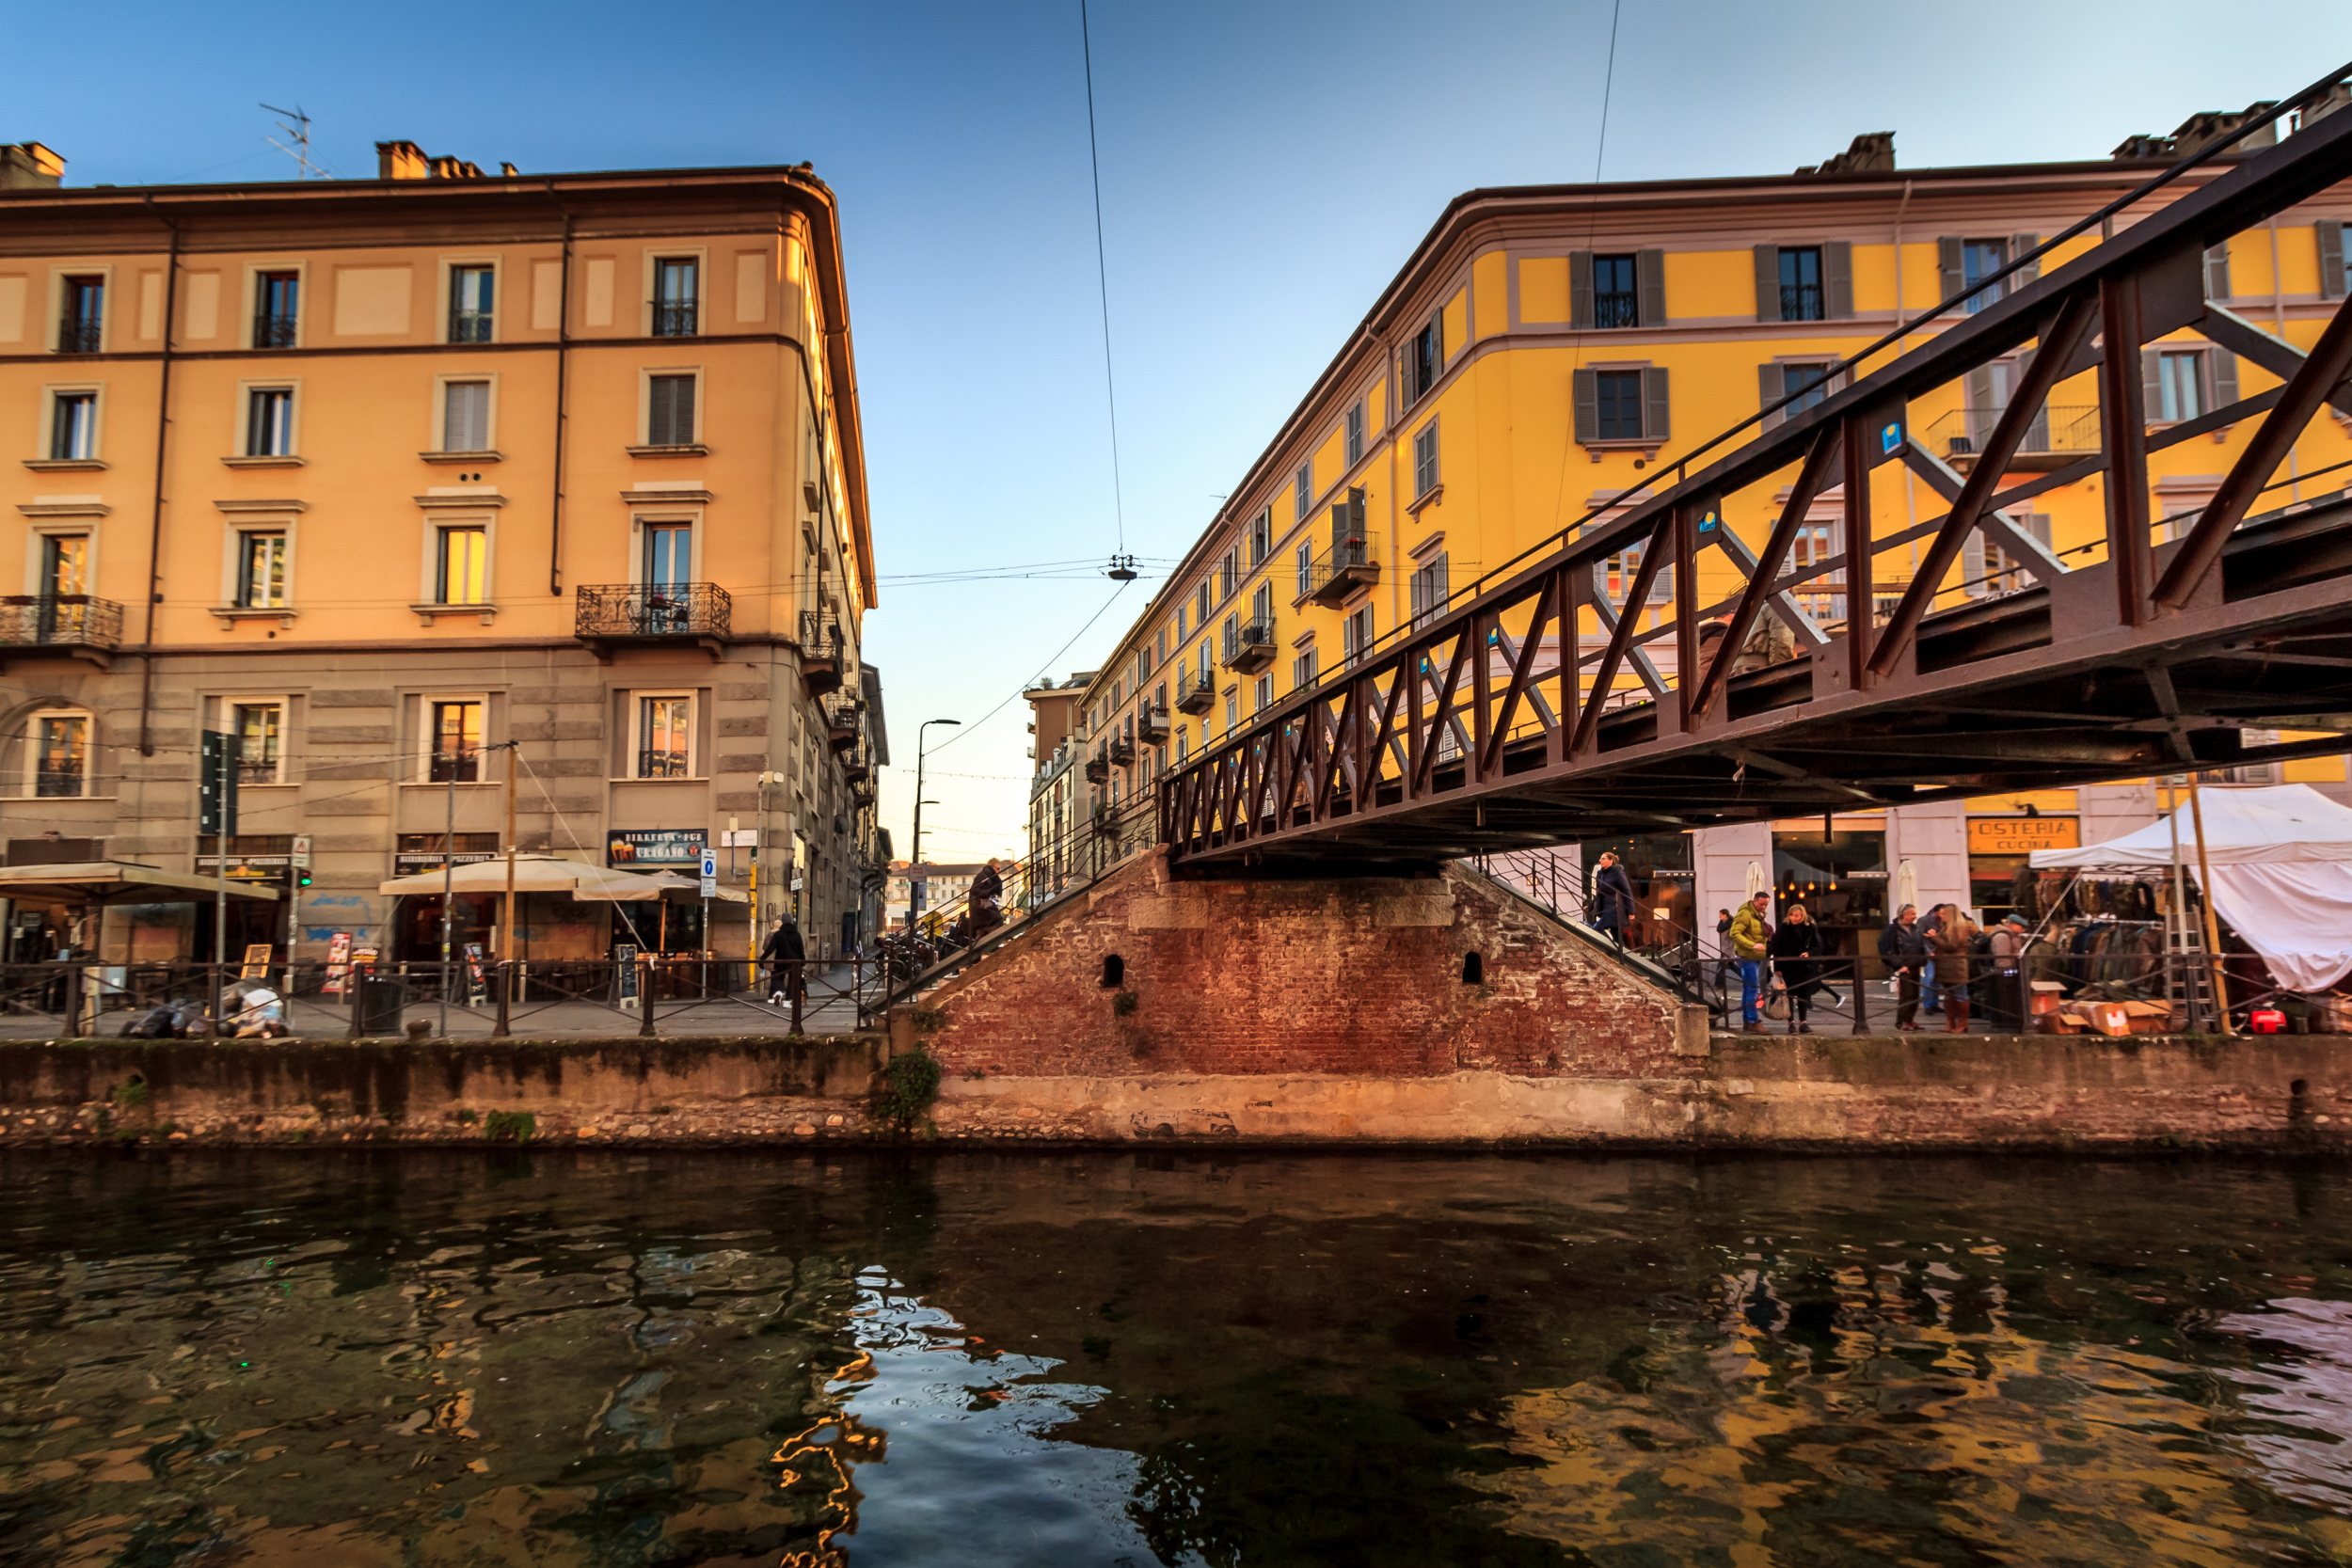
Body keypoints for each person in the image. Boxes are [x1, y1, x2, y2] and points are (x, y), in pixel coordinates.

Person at [1768, 902, 1826, 1034]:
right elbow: (1777, 947)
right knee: (1788, 994)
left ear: (1802, 916)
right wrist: (1778, 968)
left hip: (1804, 965)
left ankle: (1803, 1022)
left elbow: (1817, 945)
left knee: (1803, 994)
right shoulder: (1783, 927)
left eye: (1797, 916)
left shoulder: (1810, 927)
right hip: (1788, 965)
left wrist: (1809, 953)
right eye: (1792, 915)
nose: (1794, 918)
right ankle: (1791, 1023)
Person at [1927, 904, 1979, 1032]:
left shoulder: (1957, 927)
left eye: (1944, 914)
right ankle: (1951, 1024)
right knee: (1949, 994)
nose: (1941, 916)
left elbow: (1952, 945)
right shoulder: (1947, 926)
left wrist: (1934, 938)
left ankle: (1962, 1024)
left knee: (1960, 994)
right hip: (1946, 965)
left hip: (1955, 965)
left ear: (1951, 915)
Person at [1730, 892, 1772, 1034]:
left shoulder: (1757, 914)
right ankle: (1753, 1021)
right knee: (1753, 988)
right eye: (1761, 904)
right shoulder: (1745, 914)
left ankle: (1747, 1021)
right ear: (1754, 901)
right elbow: (1734, 933)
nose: (1764, 907)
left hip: (1754, 956)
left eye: (1766, 904)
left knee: (1749, 988)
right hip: (1747, 956)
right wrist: (1752, 945)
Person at [1879, 904, 1927, 1031]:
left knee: (1915, 994)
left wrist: (1923, 958)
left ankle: (1910, 1019)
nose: (1915, 916)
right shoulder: (1892, 930)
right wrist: (1898, 965)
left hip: (1915, 964)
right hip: (1903, 966)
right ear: (1903, 914)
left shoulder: (1915, 929)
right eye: (1912, 914)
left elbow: (1920, 945)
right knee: (1907, 994)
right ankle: (1902, 1021)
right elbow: (1886, 948)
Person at [1988, 915, 2029, 1032]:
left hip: (2010, 972)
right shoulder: (2002, 936)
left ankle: (2011, 1022)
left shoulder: (2011, 935)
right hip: (2005, 974)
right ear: (2013, 924)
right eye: (2022, 927)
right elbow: (2003, 958)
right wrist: (2008, 973)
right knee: (2006, 998)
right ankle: (2006, 1023)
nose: (2023, 930)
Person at [759, 915, 806, 1008]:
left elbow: (770, 949)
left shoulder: (778, 934)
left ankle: (778, 992)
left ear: (782, 922)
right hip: (794, 962)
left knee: (779, 978)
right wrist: (803, 961)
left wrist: (763, 958)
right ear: (791, 921)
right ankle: (787, 1001)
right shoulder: (797, 935)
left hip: (780, 960)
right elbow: (801, 949)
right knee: (792, 980)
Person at [1592, 852, 1636, 946]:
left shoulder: (1617, 873)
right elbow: (1599, 893)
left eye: (1603, 859)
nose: (1600, 861)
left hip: (1614, 910)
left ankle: (1609, 951)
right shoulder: (1601, 874)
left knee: (1595, 930)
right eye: (1600, 858)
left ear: (1610, 861)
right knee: (1617, 939)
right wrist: (1590, 906)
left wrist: (1631, 912)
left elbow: (1627, 892)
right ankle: (1624, 958)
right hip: (1606, 910)